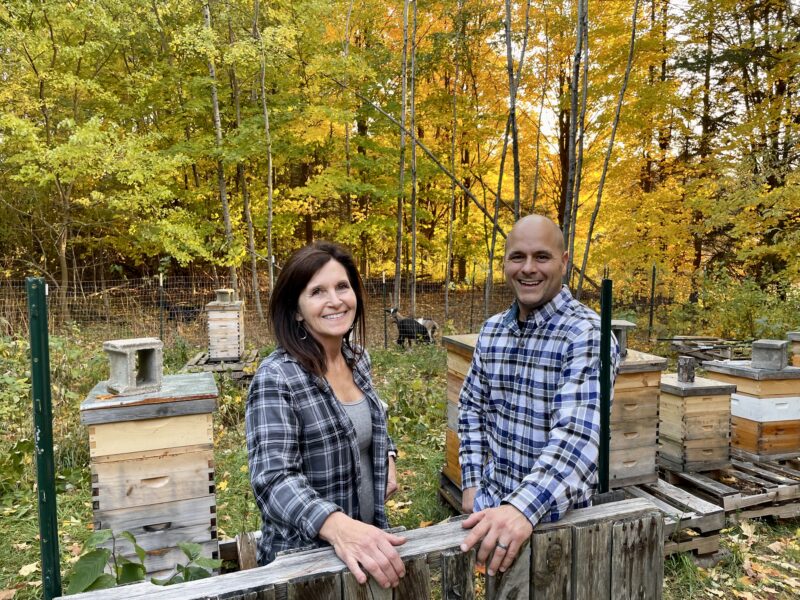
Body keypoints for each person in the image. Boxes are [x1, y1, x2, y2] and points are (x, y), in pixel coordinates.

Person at [458, 214, 619, 577]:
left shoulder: (586, 336)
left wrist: (521, 509)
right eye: (518, 257)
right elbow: (471, 407)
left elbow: (576, 439)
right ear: (504, 263)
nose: (528, 268)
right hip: (491, 510)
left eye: (541, 257)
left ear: (564, 262)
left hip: (557, 525)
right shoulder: (492, 331)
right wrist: (470, 483)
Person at [246, 241, 406, 588]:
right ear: (297, 310)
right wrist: (339, 527)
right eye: (317, 291)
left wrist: (388, 453)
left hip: (367, 544)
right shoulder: (277, 377)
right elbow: (272, 480)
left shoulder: (357, 358)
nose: (335, 300)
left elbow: (371, 416)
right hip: (306, 564)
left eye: (342, 287)